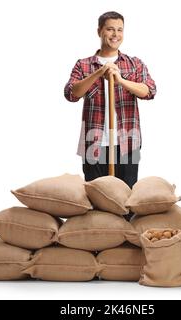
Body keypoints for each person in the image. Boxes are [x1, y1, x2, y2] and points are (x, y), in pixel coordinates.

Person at [64, 11, 156, 192]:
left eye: (120, 30)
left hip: (128, 140)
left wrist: (120, 80)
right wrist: (99, 72)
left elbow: (149, 91)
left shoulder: (134, 64)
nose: (116, 35)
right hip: (93, 141)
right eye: (110, 29)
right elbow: (71, 94)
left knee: (127, 198)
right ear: (99, 31)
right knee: (97, 197)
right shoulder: (83, 65)